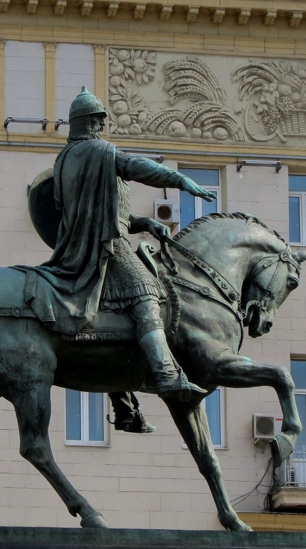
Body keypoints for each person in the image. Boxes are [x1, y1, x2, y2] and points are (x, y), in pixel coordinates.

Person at [23, 87, 217, 401]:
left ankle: (124, 400)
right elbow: (135, 167)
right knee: (146, 295)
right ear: (87, 122)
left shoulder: (65, 160)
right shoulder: (98, 151)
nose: (102, 126)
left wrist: (144, 223)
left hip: (81, 246)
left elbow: (97, 212)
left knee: (118, 313)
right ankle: (167, 375)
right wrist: (179, 180)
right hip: (104, 247)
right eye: (98, 120)